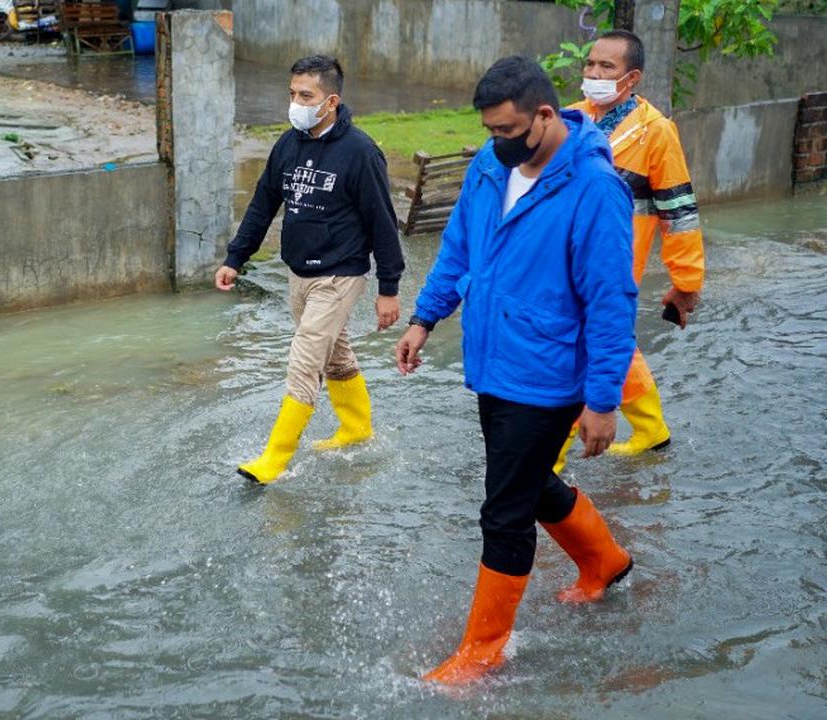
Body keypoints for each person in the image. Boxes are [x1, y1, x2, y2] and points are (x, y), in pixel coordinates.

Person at [394, 56, 637, 684]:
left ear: (546, 116)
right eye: (489, 130)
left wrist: (604, 400)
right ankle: (604, 561)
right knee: (527, 483)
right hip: (494, 362)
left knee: (504, 509)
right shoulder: (489, 163)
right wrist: (425, 318)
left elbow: (612, 300)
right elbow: (459, 247)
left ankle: (482, 651)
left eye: (506, 131)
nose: (495, 143)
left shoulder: (593, 188)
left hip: (550, 374)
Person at [216, 54, 405, 485]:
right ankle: (357, 429)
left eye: (307, 95)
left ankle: (274, 460)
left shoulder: (360, 152)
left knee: (305, 359)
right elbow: (263, 204)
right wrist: (235, 258)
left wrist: (388, 287)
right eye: (293, 93)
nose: (296, 102)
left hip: (340, 275)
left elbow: (382, 222)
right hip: (299, 273)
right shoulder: (288, 145)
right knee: (334, 352)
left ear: (331, 100)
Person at [553, 29, 705, 473]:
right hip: (561, 255)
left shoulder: (656, 132)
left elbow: (678, 211)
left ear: (631, 77)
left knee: (578, 342)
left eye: (607, 68)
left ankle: (548, 457)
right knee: (611, 339)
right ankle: (652, 428)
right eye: (590, 65)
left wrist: (687, 282)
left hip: (613, 259)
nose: (594, 74)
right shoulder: (570, 119)